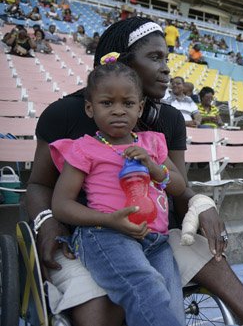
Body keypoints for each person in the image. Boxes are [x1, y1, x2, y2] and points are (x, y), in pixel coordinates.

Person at [26, 17, 243, 326]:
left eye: (167, 59)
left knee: (203, 254)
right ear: (124, 61)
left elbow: (177, 187)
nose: (166, 68)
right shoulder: (65, 114)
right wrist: (47, 223)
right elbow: (39, 185)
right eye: (155, 57)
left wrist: (201, 203)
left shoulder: (166, 122)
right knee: (101, 303)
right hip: (89, 233)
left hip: (151, 233)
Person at [50, 62, 187, 326]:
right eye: (107, 103)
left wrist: (153, 167)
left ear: (140, 107)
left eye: (127, 103)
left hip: (156, 240)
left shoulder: (152, 143)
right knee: (147, 288)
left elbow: (179, 187)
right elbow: (61, 204)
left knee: (170, 303)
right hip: (106, 235)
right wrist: (109, 219)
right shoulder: (84, 148)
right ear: (90, 108)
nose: (118, 111)